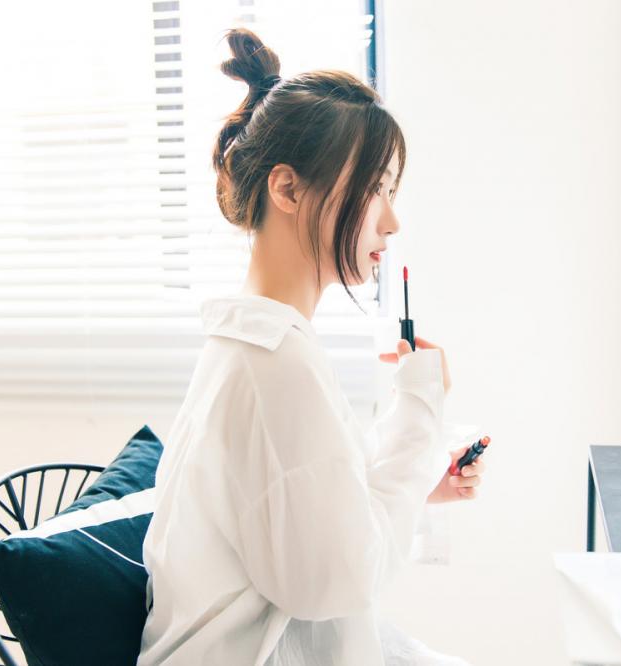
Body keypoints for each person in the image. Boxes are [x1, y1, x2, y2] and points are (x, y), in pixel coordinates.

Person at [137, 27, 486, 666]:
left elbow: (305, 518)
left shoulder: (250, 342)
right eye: (375, 188)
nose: (391, 220)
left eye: (392, 192)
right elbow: (338, 579)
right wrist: (416, 420)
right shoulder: (275, 361)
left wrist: (418, 474)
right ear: (288, 189)